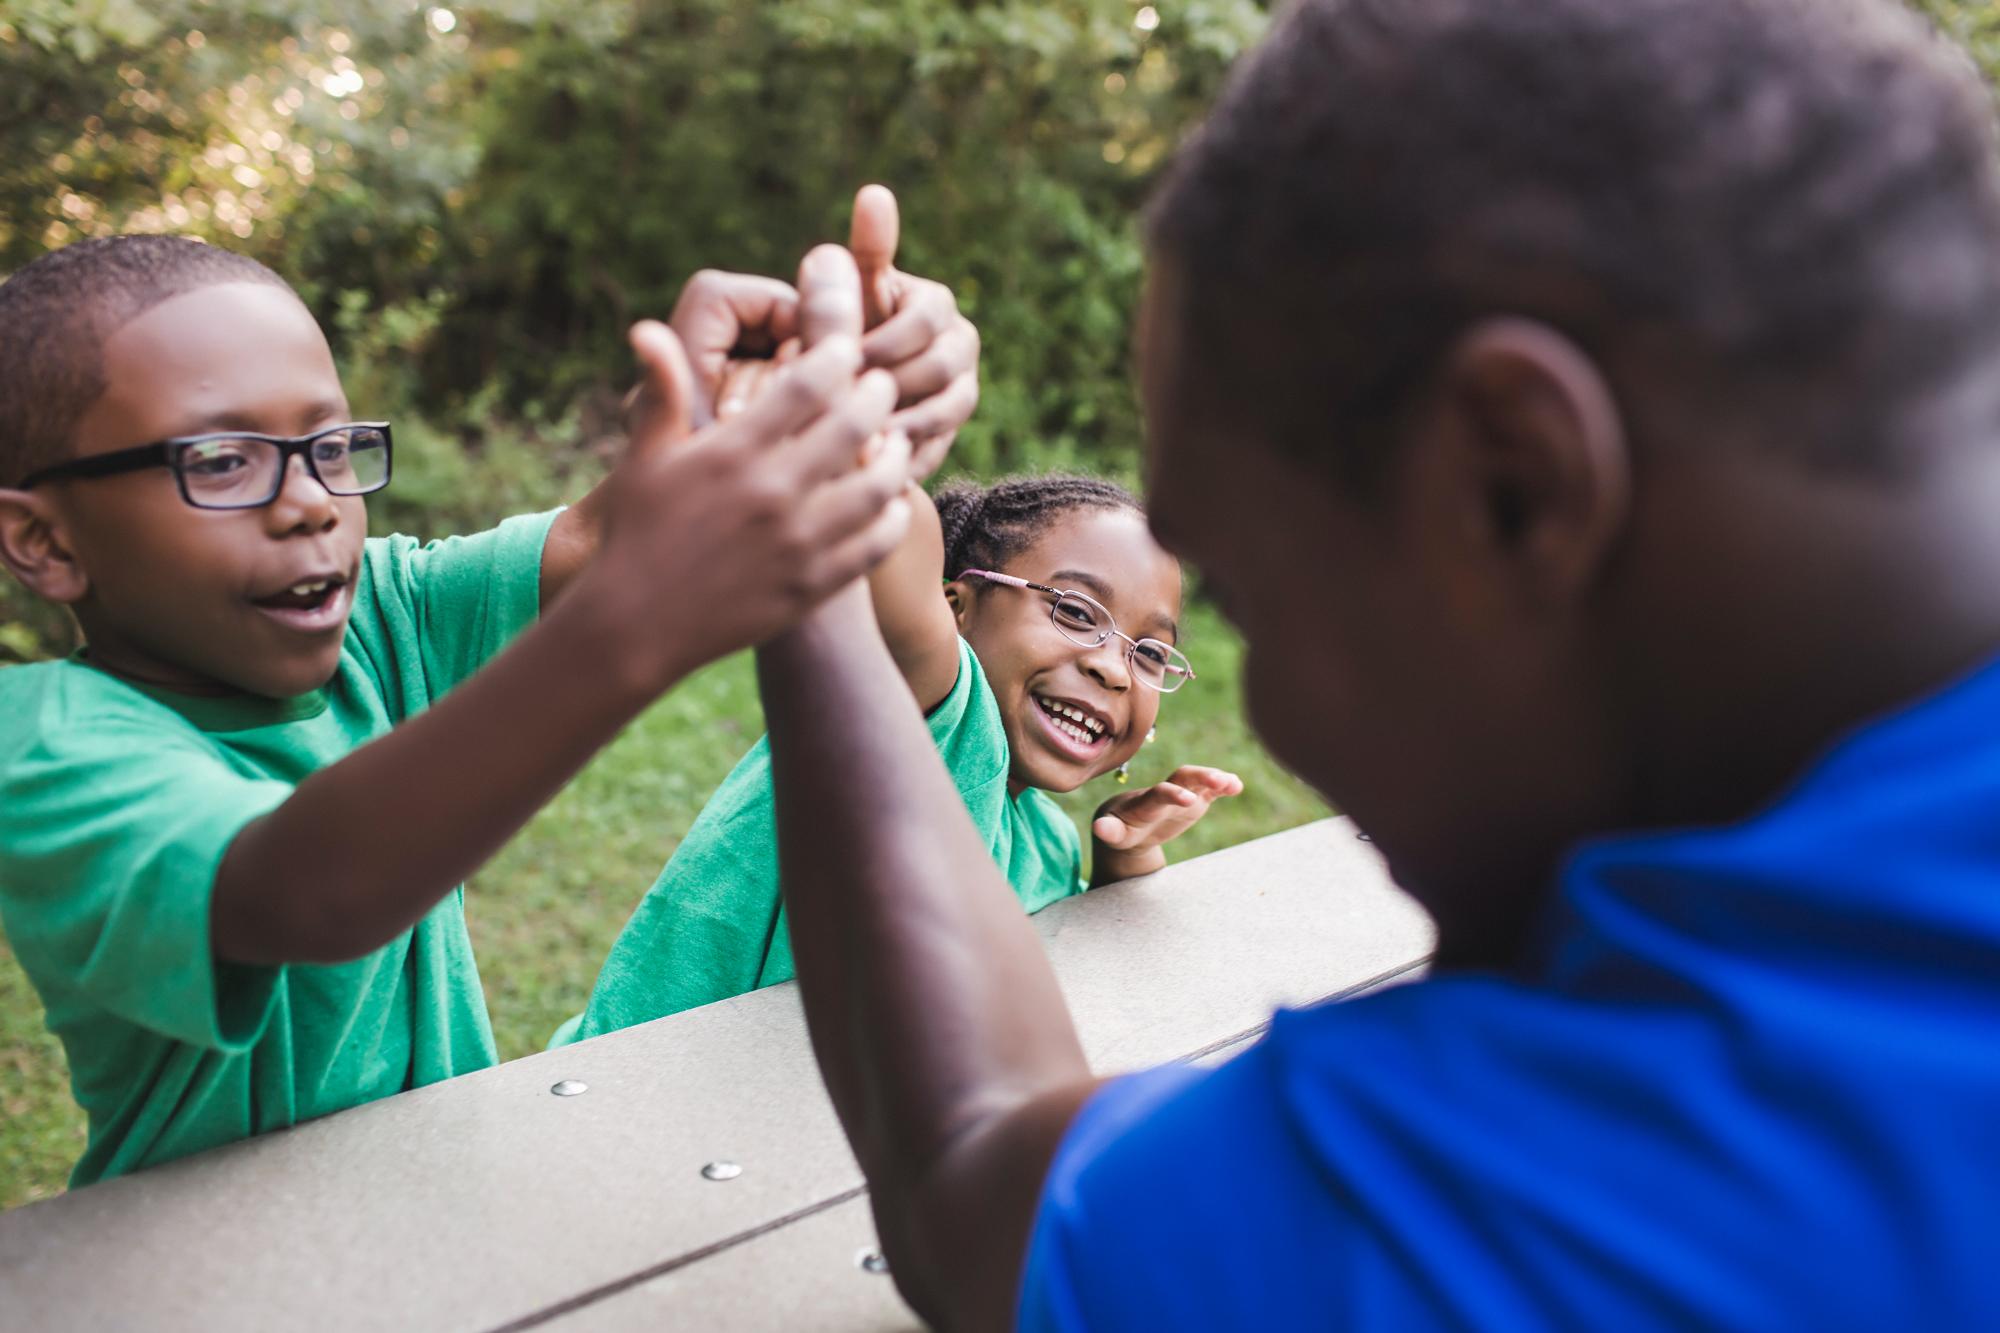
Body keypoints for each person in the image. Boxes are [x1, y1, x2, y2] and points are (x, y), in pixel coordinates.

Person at [750, 0, 2000, 1328]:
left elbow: (975, 1182)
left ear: (1512, 485)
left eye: (1249, 598)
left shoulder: (1593, 1171)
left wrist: (798, 552)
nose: (1271, 716)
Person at [0, 186, 978, 1187]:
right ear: (45, 540)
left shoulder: (378, 617)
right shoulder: (43, 748)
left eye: (329, 449)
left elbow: (605, 538)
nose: (309, 505)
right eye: (219, 459)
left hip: (456, 1230)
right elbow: (309, 889)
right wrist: (638, 621)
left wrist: (779, 401)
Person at [558, 472, 1241, 1042]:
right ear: (955, 609)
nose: (1115, 670)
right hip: (627, 1114)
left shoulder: (1049, 844)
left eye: (1149, 653)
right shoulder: (930, 732)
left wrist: (1121, 861)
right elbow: (894, 548)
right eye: (1076, 610)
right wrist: (886, 419)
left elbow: (1092, 991)